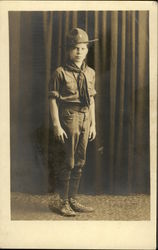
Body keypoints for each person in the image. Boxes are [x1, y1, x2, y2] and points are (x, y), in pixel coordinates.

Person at [49, 28, 97, 216]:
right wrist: (56, 125)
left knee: (80, 161)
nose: (79, 52)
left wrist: (93, 124)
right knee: (68, 161)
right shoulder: (60, 72)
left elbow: (92, 100)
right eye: (75, 48)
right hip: (69, 118)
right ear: (68, 51)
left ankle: (73, 199)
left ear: (87, 51)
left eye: (83, 48)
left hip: (86, 118)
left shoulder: (90, 73)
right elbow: (52, 100)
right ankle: (62, 202)